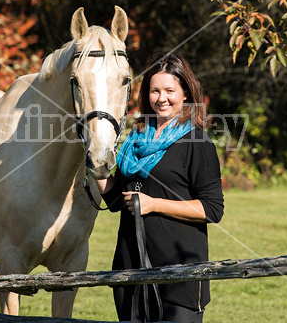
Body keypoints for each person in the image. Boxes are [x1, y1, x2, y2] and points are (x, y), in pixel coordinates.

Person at [96, 51, 224, 323]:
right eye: (155, 90)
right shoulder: (134, 139)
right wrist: (95, 170)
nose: (161, 98)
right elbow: (118, 200)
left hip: (179, 274)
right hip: (131, 270)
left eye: (170, 90)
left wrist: (153, 204)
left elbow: (212, 209)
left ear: (186, 93)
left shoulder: (197, 143)